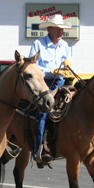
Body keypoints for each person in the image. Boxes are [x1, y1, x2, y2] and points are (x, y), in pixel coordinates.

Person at [29, 14, 72, 164]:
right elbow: (32, 67)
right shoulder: (38, 44)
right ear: (50, 29)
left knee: (75, 108)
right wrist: (50, 71)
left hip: (60, 83)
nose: (61, 32)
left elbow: (68, 62)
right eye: (58, 29)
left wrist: (67, 69)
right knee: (43, 114)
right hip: (43, 84)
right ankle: (38, 148)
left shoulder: (65, 46)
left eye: (62, 29)